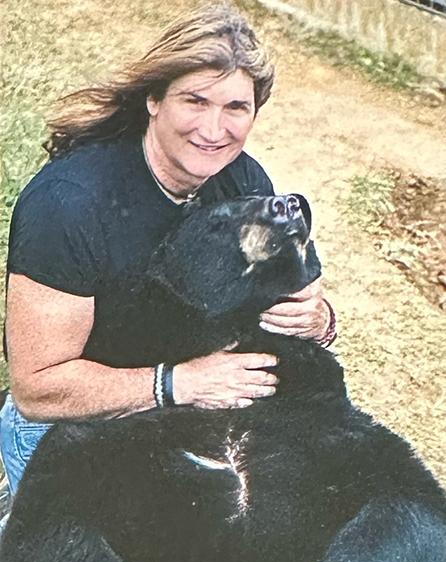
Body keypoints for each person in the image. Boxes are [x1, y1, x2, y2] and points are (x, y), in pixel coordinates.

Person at [0, 3, 336, 500]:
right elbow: (37, 388)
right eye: (195, 101)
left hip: (185, 414)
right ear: (154, 99)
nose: (214, 129)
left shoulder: (243, 179)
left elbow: (303, 293)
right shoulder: (69, 205)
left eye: (235, 108)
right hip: (68, 428)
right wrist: (178, 384)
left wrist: (319, 320)